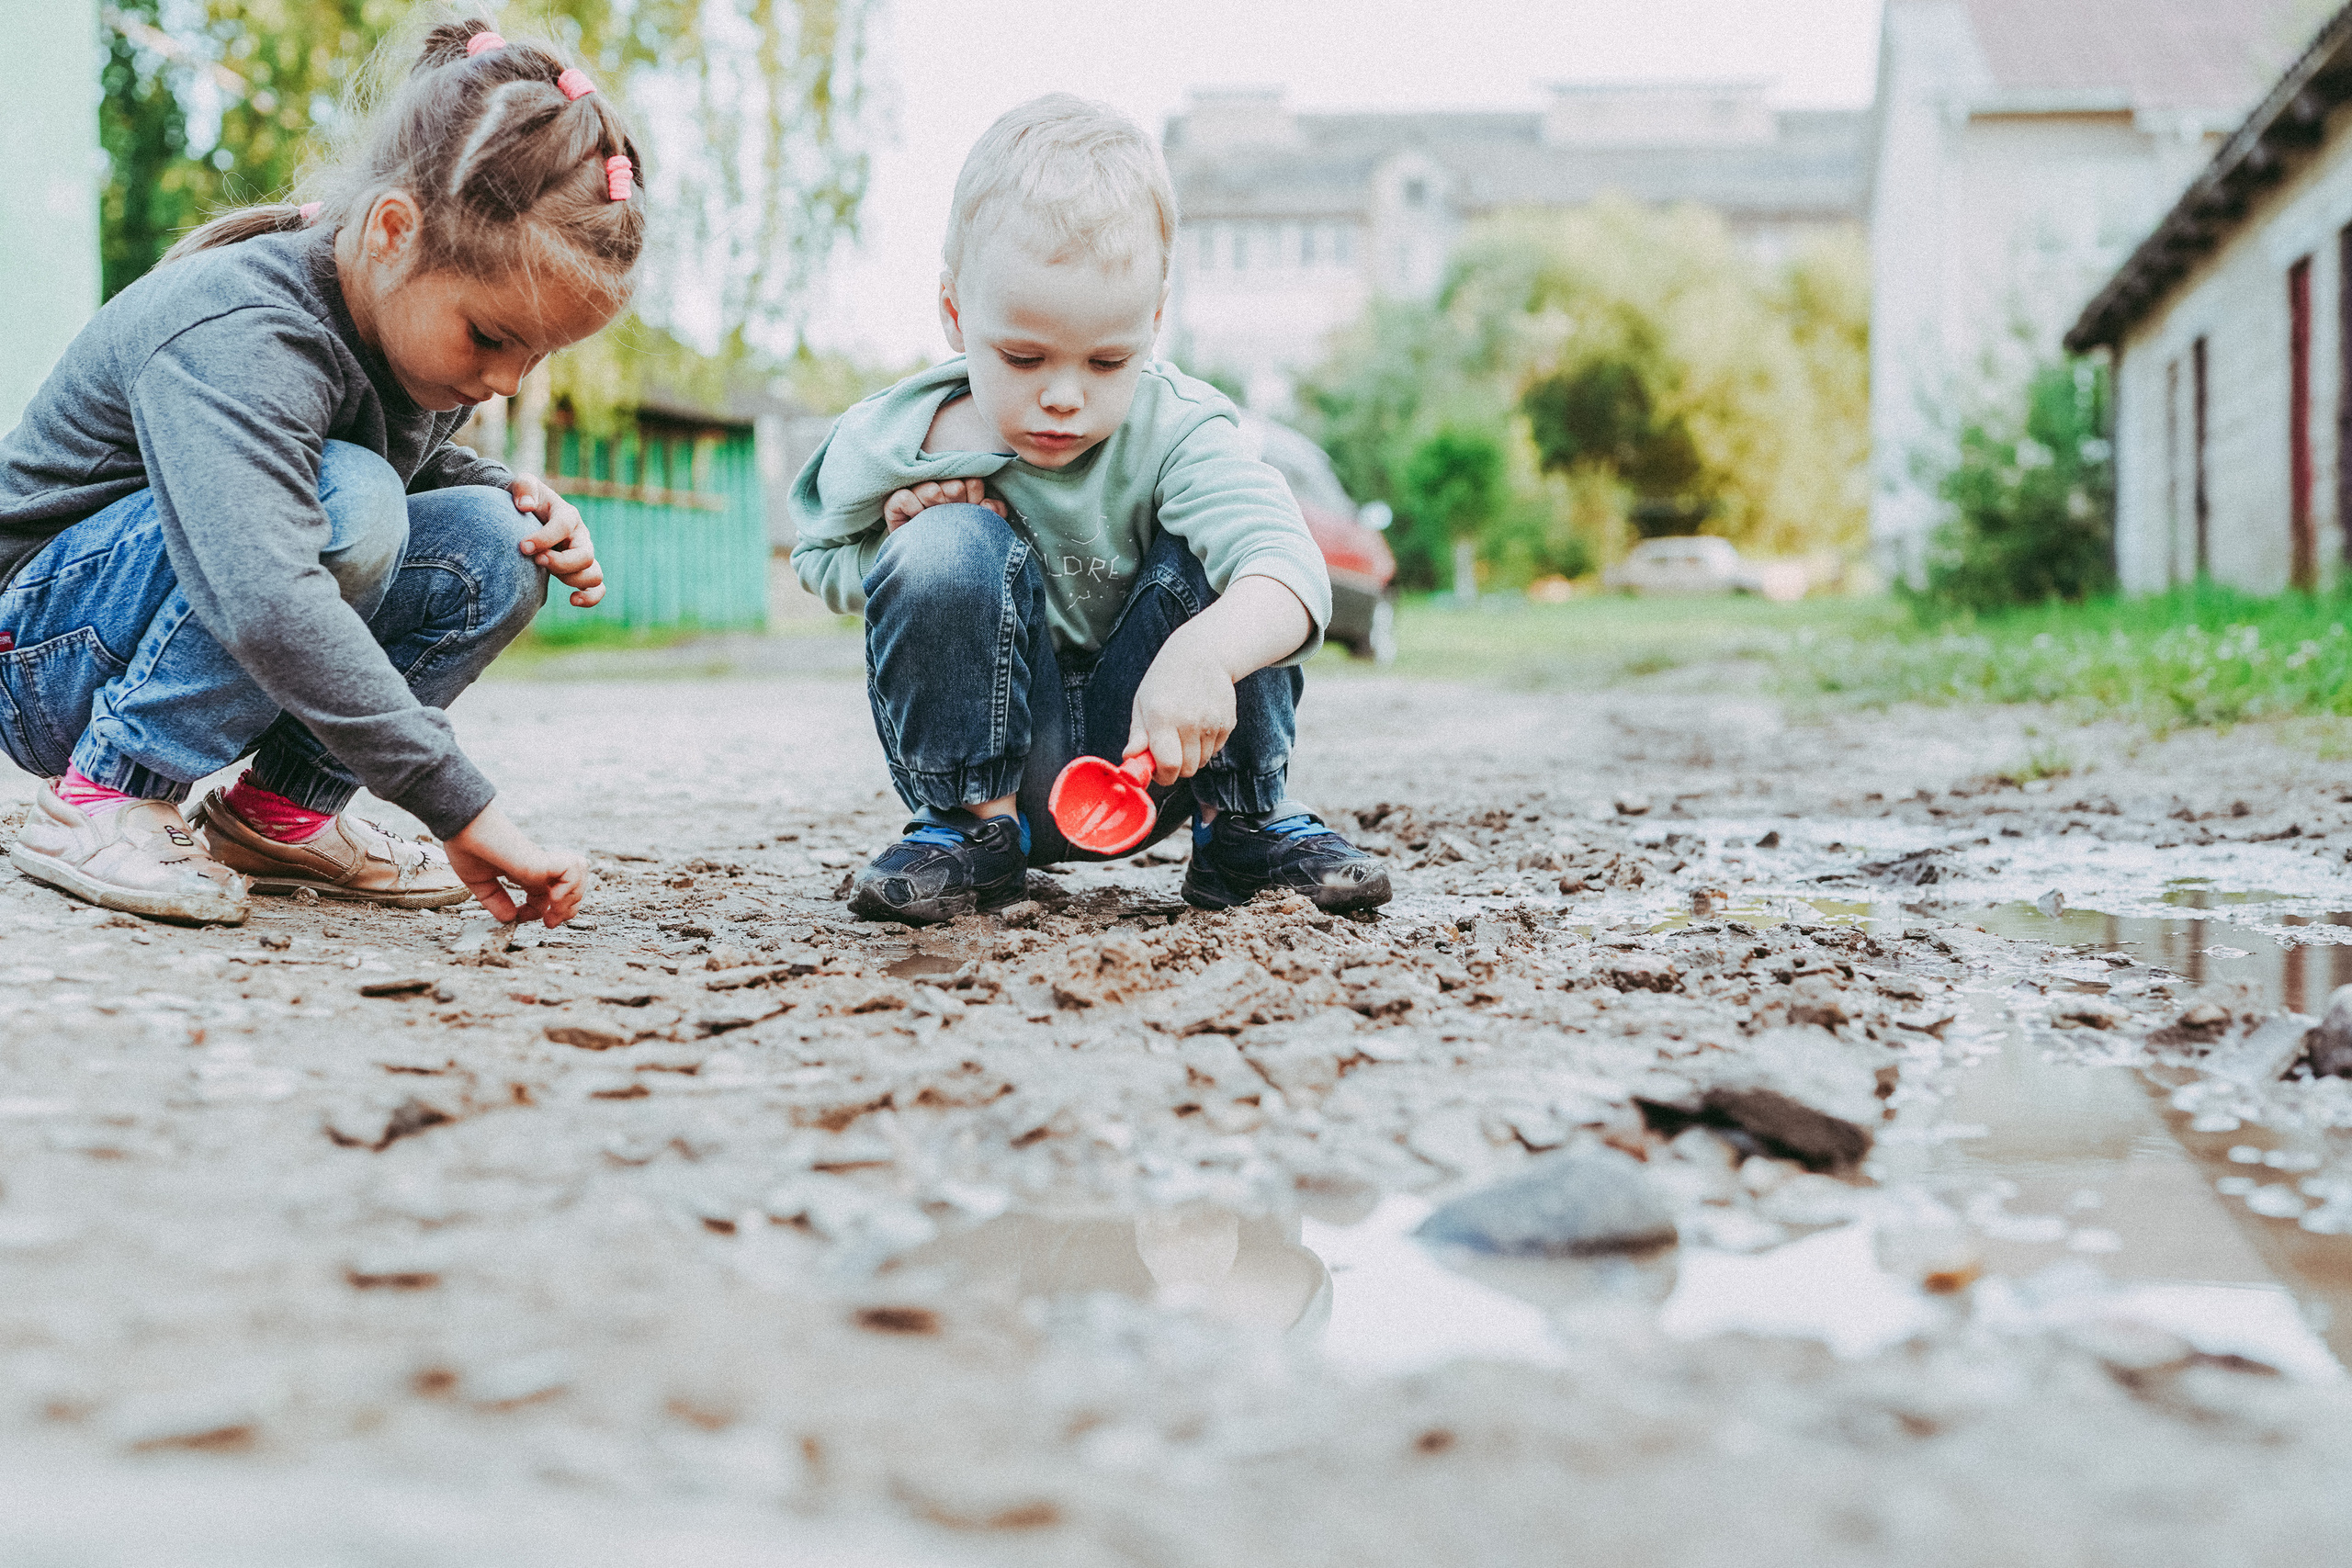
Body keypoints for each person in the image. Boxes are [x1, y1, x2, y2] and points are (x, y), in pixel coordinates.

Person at [0, 14, 639, 928]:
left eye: (534, 358)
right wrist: (456, 801)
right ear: (392, 230)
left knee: (497, 546)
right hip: (35, 658)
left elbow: (391, 460)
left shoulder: (410, 338)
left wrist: (510, 496)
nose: (503, 382)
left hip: (157, 611)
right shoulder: (238, 326)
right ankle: (102, 799)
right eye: (493, 338)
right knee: (349, 500)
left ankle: (279, 816)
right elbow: (267, 586)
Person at [791, 94, 1390, 926]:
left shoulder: (1180, 428)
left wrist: (1206, 654)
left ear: (1152, 323)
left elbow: (1287, 567)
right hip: (1003, 752)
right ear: (956, 314)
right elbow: (819, 559)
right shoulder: (897, 437)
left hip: (1165, 748)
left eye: (1108, 360)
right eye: (1023, 356)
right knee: (942, 544)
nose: (1064, 396)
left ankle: (1241, 828)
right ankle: (970, 834)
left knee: (1223, 570)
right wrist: (895, 546)